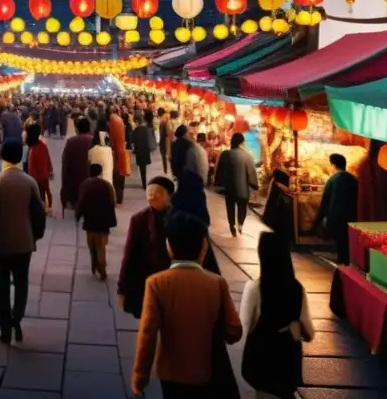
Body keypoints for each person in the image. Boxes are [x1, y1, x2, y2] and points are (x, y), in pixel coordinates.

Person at [132, 213, 242, 398]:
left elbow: (147, 334)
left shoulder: (156, 283)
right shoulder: (217, 283)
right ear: (204, 247)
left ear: (168, 246)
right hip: (204, 371)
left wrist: (140, 376)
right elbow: (234, 330)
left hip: (170, 372)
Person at [0, 140, 45, 344]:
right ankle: (17, 318)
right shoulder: (30, 182)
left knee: (2, 286)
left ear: (3, 157)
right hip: (24, 243)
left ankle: (5, 330)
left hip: (2, 245)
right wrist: (36, 235)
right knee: (22, 284)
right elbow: (39, 213)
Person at [240, 232, 314, 399]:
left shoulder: (254, 288)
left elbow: (242, 328)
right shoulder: (298, 289)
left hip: (261, 364)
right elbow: (309, 332)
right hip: (288, 363)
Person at [117, 176, 174, 318]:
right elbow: (128, 254)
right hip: (146, 280)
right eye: (150, 192)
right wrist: (122, 289)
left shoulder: (179, 219)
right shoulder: (139, 219)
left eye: (158, 192)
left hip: (172, 281)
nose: (153, 196)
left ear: (168, 196)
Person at [314, 153, 359, 265]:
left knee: (341, 243)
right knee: (347, 242)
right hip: (352, 217)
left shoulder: (332, 180)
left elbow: (325, 202)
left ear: (333, 165)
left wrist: (317, 221)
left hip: (336, 217)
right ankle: (348, 263)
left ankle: (342, 264)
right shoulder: (353, 179)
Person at [74, 163, 117, 280]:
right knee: (101, 247)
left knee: (91, 245)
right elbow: (113, 202)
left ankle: (95, 266)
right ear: (100, 172)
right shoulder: (107, 185)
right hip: (103, 221)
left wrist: (77, 216)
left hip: (90, 221)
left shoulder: (84, 185)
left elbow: (81, 202)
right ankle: (101, 267)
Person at [215, 133, 259, 237]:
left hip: (230, 188)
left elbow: (220, 171)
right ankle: (240, 224)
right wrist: (254, 185)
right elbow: (251, 172)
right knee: (242, 206)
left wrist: (219, 184)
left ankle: (232, 226)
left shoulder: (226, 154)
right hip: (243, 189)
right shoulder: (247, 156)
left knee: (230, 206)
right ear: (242, 142)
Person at [60, 116, 95, 212]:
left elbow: (65, 165)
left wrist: (64, 191)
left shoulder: (71, 142)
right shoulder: (94, 141)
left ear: (77, 128)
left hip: (75, 186)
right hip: (91, 185)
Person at [25, 124, 53, 213]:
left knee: (36, 195)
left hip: (34, 177)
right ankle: (45, 208)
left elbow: (30, 166)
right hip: (43, 176)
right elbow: (48, 159)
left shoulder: (32, 149)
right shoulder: (42, 145)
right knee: (44, 193)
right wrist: (50, 170)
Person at [130, 110, 156, 190]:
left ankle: (144, 182)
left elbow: (132, 142)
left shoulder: (134, 131)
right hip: (145, 150)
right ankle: (144, 182)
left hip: (139, 151)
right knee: (144, 167)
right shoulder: (146, 130)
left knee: (142, 168)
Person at [108, 106, 128, 204]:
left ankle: (117, 197)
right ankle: (120, 198)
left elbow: (112, 139)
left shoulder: (113, 121)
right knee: (121, 177)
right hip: (122, 152)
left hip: (115, 153)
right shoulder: (120, 120)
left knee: (116, 177)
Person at [156, 108, 170, 175]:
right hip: (165, 141)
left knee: (164, 156)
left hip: (164, 142)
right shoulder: (164, 122)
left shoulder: (162, 123)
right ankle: (166, 171)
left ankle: (166, 171)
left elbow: (162, 134)